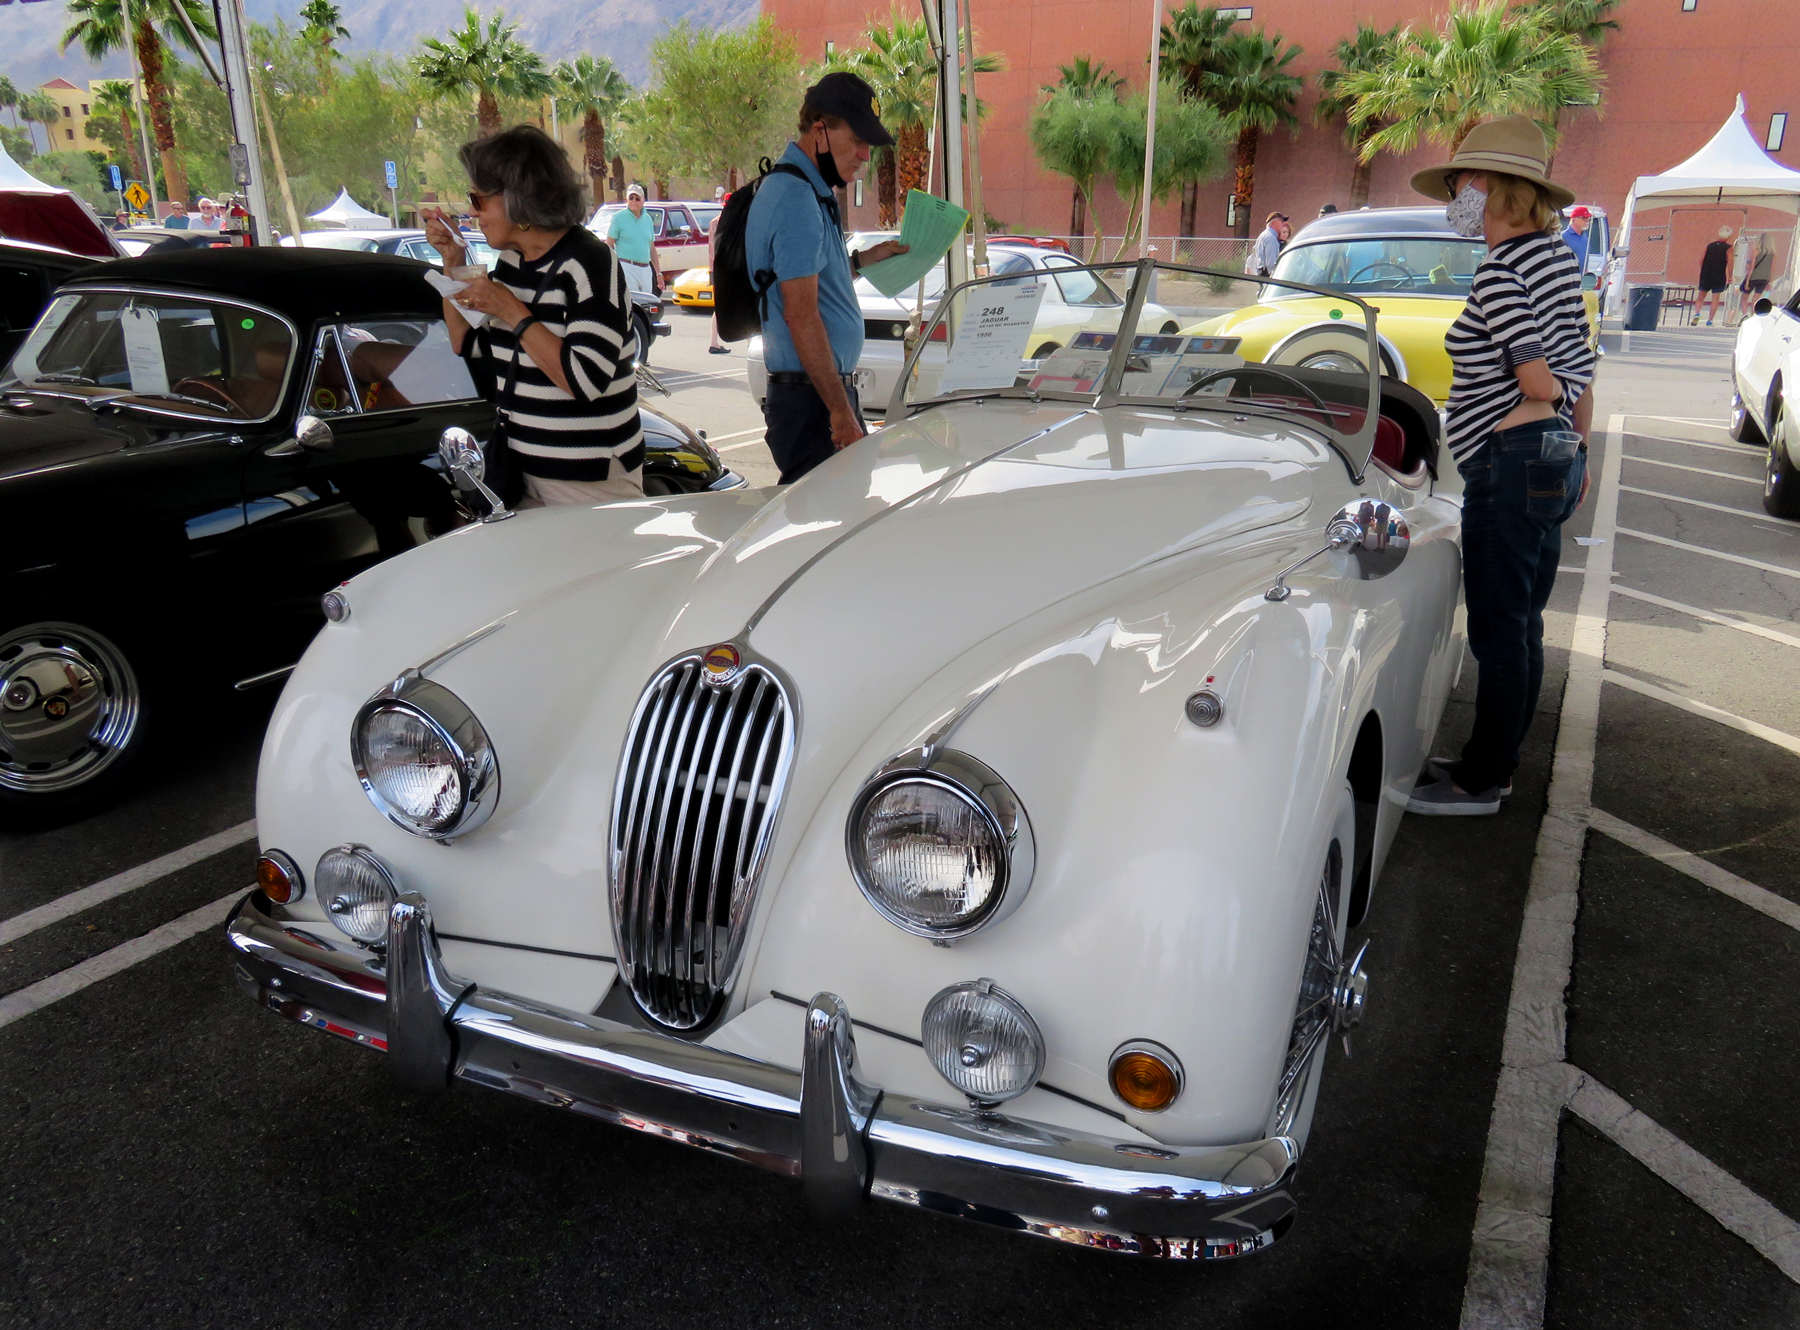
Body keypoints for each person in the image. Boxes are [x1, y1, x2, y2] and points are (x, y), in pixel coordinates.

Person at [1405, 116, 1596, 817]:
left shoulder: (1501, 269)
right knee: (1523, 620)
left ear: (1487, 186)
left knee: (1496, 625)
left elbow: (1540, 379)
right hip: (1551, 459)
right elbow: (1582, 374)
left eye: (1458, 183)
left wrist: (1521, 419)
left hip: (1510, 463)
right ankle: (1498, 761)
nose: (1454, 195)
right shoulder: (1555, 258)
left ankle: (1482, 780)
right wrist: (1575, 450)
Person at [423, 124, 645, 506]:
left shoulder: (589, 262)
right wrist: (453, 262)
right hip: (523, 470)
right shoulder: (513, 261)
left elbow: (585, 381)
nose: (473, 212)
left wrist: (511, 309)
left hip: (589, 479)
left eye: (478, 198)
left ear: (516, 199)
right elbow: (468, 343)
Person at [744, 71, 908, 484]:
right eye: (856, 140)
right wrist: (839, 411)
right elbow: (800, 313)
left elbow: (808, 282)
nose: (865, 156)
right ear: (819, 131)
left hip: (813, 397)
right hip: (812, 401)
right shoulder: (797, 198)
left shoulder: (805, 189)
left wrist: (863, 260)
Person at [608, 185, 657, 295]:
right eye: (631, 198)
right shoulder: (618, 218)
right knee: (633, 302)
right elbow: (609, 245)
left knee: (647, 303)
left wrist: (658, 273)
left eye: (637, 198)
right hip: (627, 267)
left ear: (643, 200)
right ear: (627, 200)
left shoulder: (648, 219)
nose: (634, 201)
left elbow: (652, 248)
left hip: (645, 269)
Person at [1695, 225, 1733, 325]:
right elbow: (1730, 262)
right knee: (1715, 298)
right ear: (1728, 236)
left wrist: (1703, 270)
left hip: (1706, 273)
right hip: (1719, 274)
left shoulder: (1710, 246)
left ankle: (1697, 313)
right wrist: (1730, 276)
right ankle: (1710, 320)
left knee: (1701, 296)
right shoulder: (1728, 248)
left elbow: (1701, 260)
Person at [1246, 211, 1288, 278]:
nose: (1283, 224)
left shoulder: (1264, 235)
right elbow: (1271, 264)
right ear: (1274, 222)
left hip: (1261, 272)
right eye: (1281, 221)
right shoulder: (1271, 238)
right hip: (1267, 275)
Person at [1559, 205, 1593, 273]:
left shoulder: (1584, 237)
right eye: (1584, 218)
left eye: (1588, 218)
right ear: (1574, 219)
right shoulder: (1564, 236)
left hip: (1581, 279)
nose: (1587, 221)